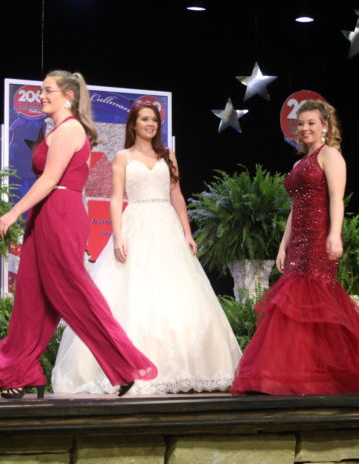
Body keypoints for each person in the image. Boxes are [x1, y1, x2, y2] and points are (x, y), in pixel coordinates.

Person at [0, 70, 157, 399]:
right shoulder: (57, 130)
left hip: (59, 213)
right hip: (45, 214)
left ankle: (125, 365)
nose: (41, 96)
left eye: (48, 90)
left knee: (74, 293)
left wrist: (13, 212)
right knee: (31, 298)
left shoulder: (71, 129)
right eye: (41, 90)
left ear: (68, 97)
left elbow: (49, 180)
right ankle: (20, 370)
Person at [230, 100, 359, 395]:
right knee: (295, 306)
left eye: (311, 123)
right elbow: (295, 208)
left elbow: (335, 198)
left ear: (324, 126)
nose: (305, 128)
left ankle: (339, 372)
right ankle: (300, 375)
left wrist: (334, 235)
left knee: (318, 298)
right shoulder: (298, 164)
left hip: (320, 238)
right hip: (298, 242)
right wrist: (283, 245)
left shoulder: (330, 155)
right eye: (301, 124)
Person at [52, 103, 242, 394]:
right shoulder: (123, 157)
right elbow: (116, 198)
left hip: (167, 226)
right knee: (135, 293)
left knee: (176, 293)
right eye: (145, 119)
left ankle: (186, 368)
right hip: (136, 224)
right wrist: (118, 236)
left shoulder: (168, 155)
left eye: (154, 119)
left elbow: (176, 194)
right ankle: (126, 368)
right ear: (134, 124)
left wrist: (187, 233)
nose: (150, 124)